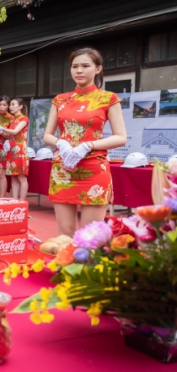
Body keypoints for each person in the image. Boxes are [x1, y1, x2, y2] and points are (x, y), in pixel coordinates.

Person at [43, 48, 126, 236]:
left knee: (91, 235)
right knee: (65, 233)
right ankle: (64, 266)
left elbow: (120, 137)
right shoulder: (60, 100)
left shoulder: (108, 98)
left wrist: (89, 145)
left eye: (85, 66)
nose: (79, 70)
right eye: (75, 66)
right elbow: (47, 135)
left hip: (94, 169)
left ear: (98, 69)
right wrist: (61, 143)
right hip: (63, 169)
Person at [0, 98, 30, 200]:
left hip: (20, 150)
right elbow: (8, 134)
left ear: (20, 106)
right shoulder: (12, 119)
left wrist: (3, 129)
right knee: (13, 176)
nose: (11, 107)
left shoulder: (24, 119)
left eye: (13, 104)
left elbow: (15, 131)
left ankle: (22, 201)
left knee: (21, 177)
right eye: (10, 105)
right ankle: (15, 200)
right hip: (11, 150)